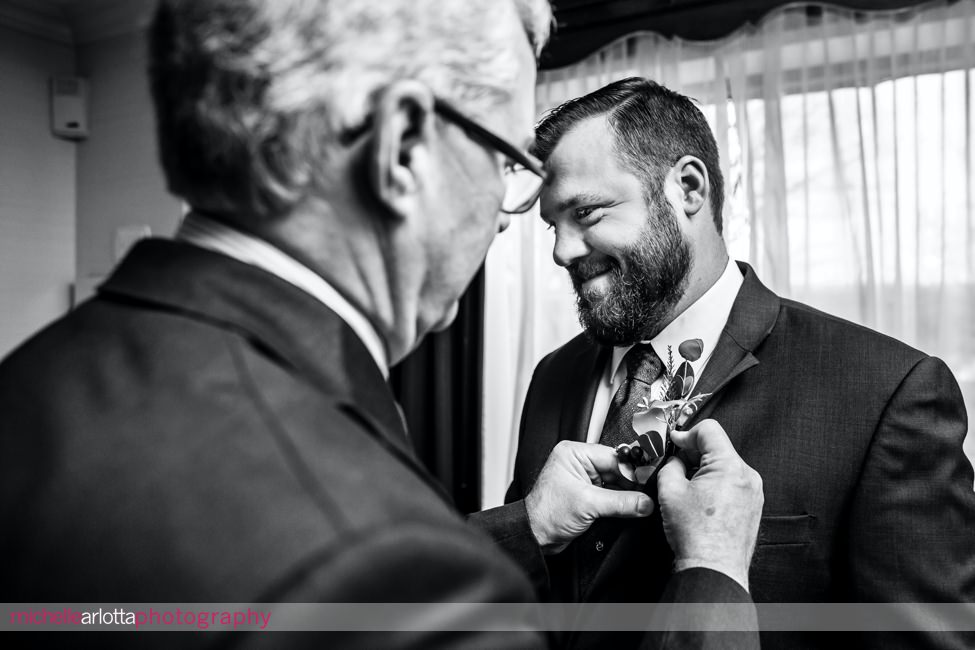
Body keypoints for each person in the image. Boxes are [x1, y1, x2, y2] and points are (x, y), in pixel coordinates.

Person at [0, 4, 764, 649]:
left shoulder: (32, 380)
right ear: (402, 149)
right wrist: (713, 578)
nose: (509, 220)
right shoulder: (399, 578)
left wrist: (522, 528)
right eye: (506, 162)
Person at [506, 75, 975, 649]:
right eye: (553, 225)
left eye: (589, 213)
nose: (562, 251)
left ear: (688, 188)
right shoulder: (553, 377)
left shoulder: (887, 393)